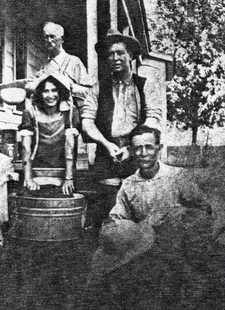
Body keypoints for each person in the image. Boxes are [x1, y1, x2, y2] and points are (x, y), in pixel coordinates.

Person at [84, 126, 213, 309]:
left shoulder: (177, 177)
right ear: (131, 151)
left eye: (149, 147)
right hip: (144, 246)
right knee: (105, 263)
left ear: (159, 149)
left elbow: (203, 209)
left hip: (178, 248)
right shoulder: (129, 184)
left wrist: (181, 221)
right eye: (138, 148)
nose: (143, 153)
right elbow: (118, 217)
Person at [80, 29, 165, 227]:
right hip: (106, 153)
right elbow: (87, 121)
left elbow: (153, 119)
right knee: (107, 211)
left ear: (131, 56)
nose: (115, 58)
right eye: (110, 54)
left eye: (120, 53)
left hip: (137, 153)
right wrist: (106, 144)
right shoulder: (97, 88)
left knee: (140, 207)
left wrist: (131, 148)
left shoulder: (145, 86)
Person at [19, 74, 80, 196]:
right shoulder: (30, 112)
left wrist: (69, 179)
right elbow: (26, 147)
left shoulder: (70, 111)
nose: (50, 95)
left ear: (60, 92)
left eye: (54, 90)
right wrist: (28, 178)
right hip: (37, 168)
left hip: (63, 168)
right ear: (39, 94)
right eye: (46, 91)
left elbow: (70, 146)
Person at [34, 22, 92, 109]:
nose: (49, 40)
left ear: (62, 39)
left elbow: (89, 93)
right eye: (46, 37)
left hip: (71, 116)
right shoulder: (44, 67)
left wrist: (69, 85)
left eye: (52, 36)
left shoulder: (74, 62)